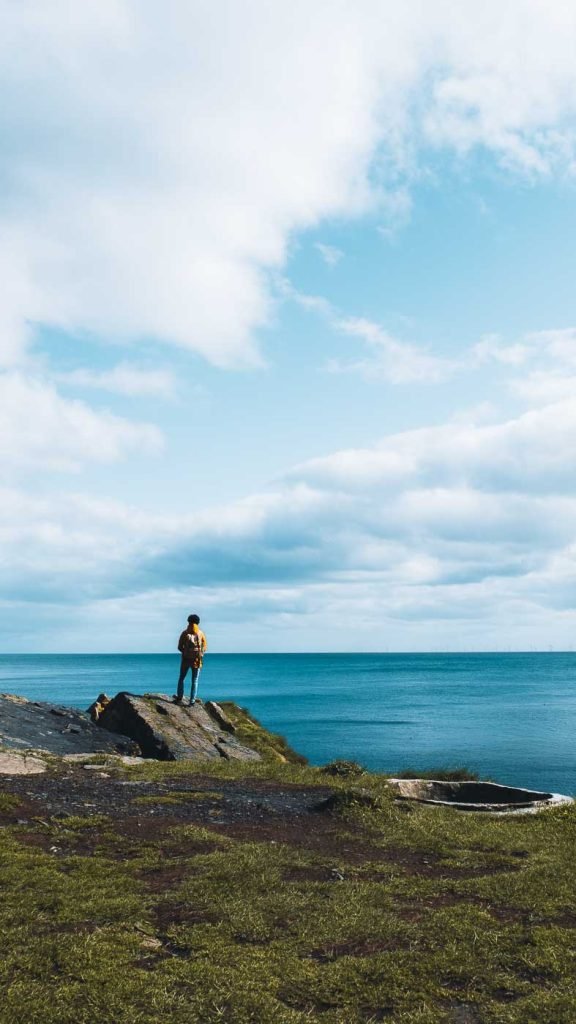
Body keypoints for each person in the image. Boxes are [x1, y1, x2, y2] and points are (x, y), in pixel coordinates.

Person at [174, 614, 207, 705]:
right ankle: (192, 701)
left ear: (188, 622)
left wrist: (185, 653)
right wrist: (200, 653)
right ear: (198, 622)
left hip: (185, 660)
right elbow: (204, 647)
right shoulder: (201, 633)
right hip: (197, 660)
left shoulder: (184, 633)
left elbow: (179, 647)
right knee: (195, 680)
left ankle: (179, 698)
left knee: (181, 678)